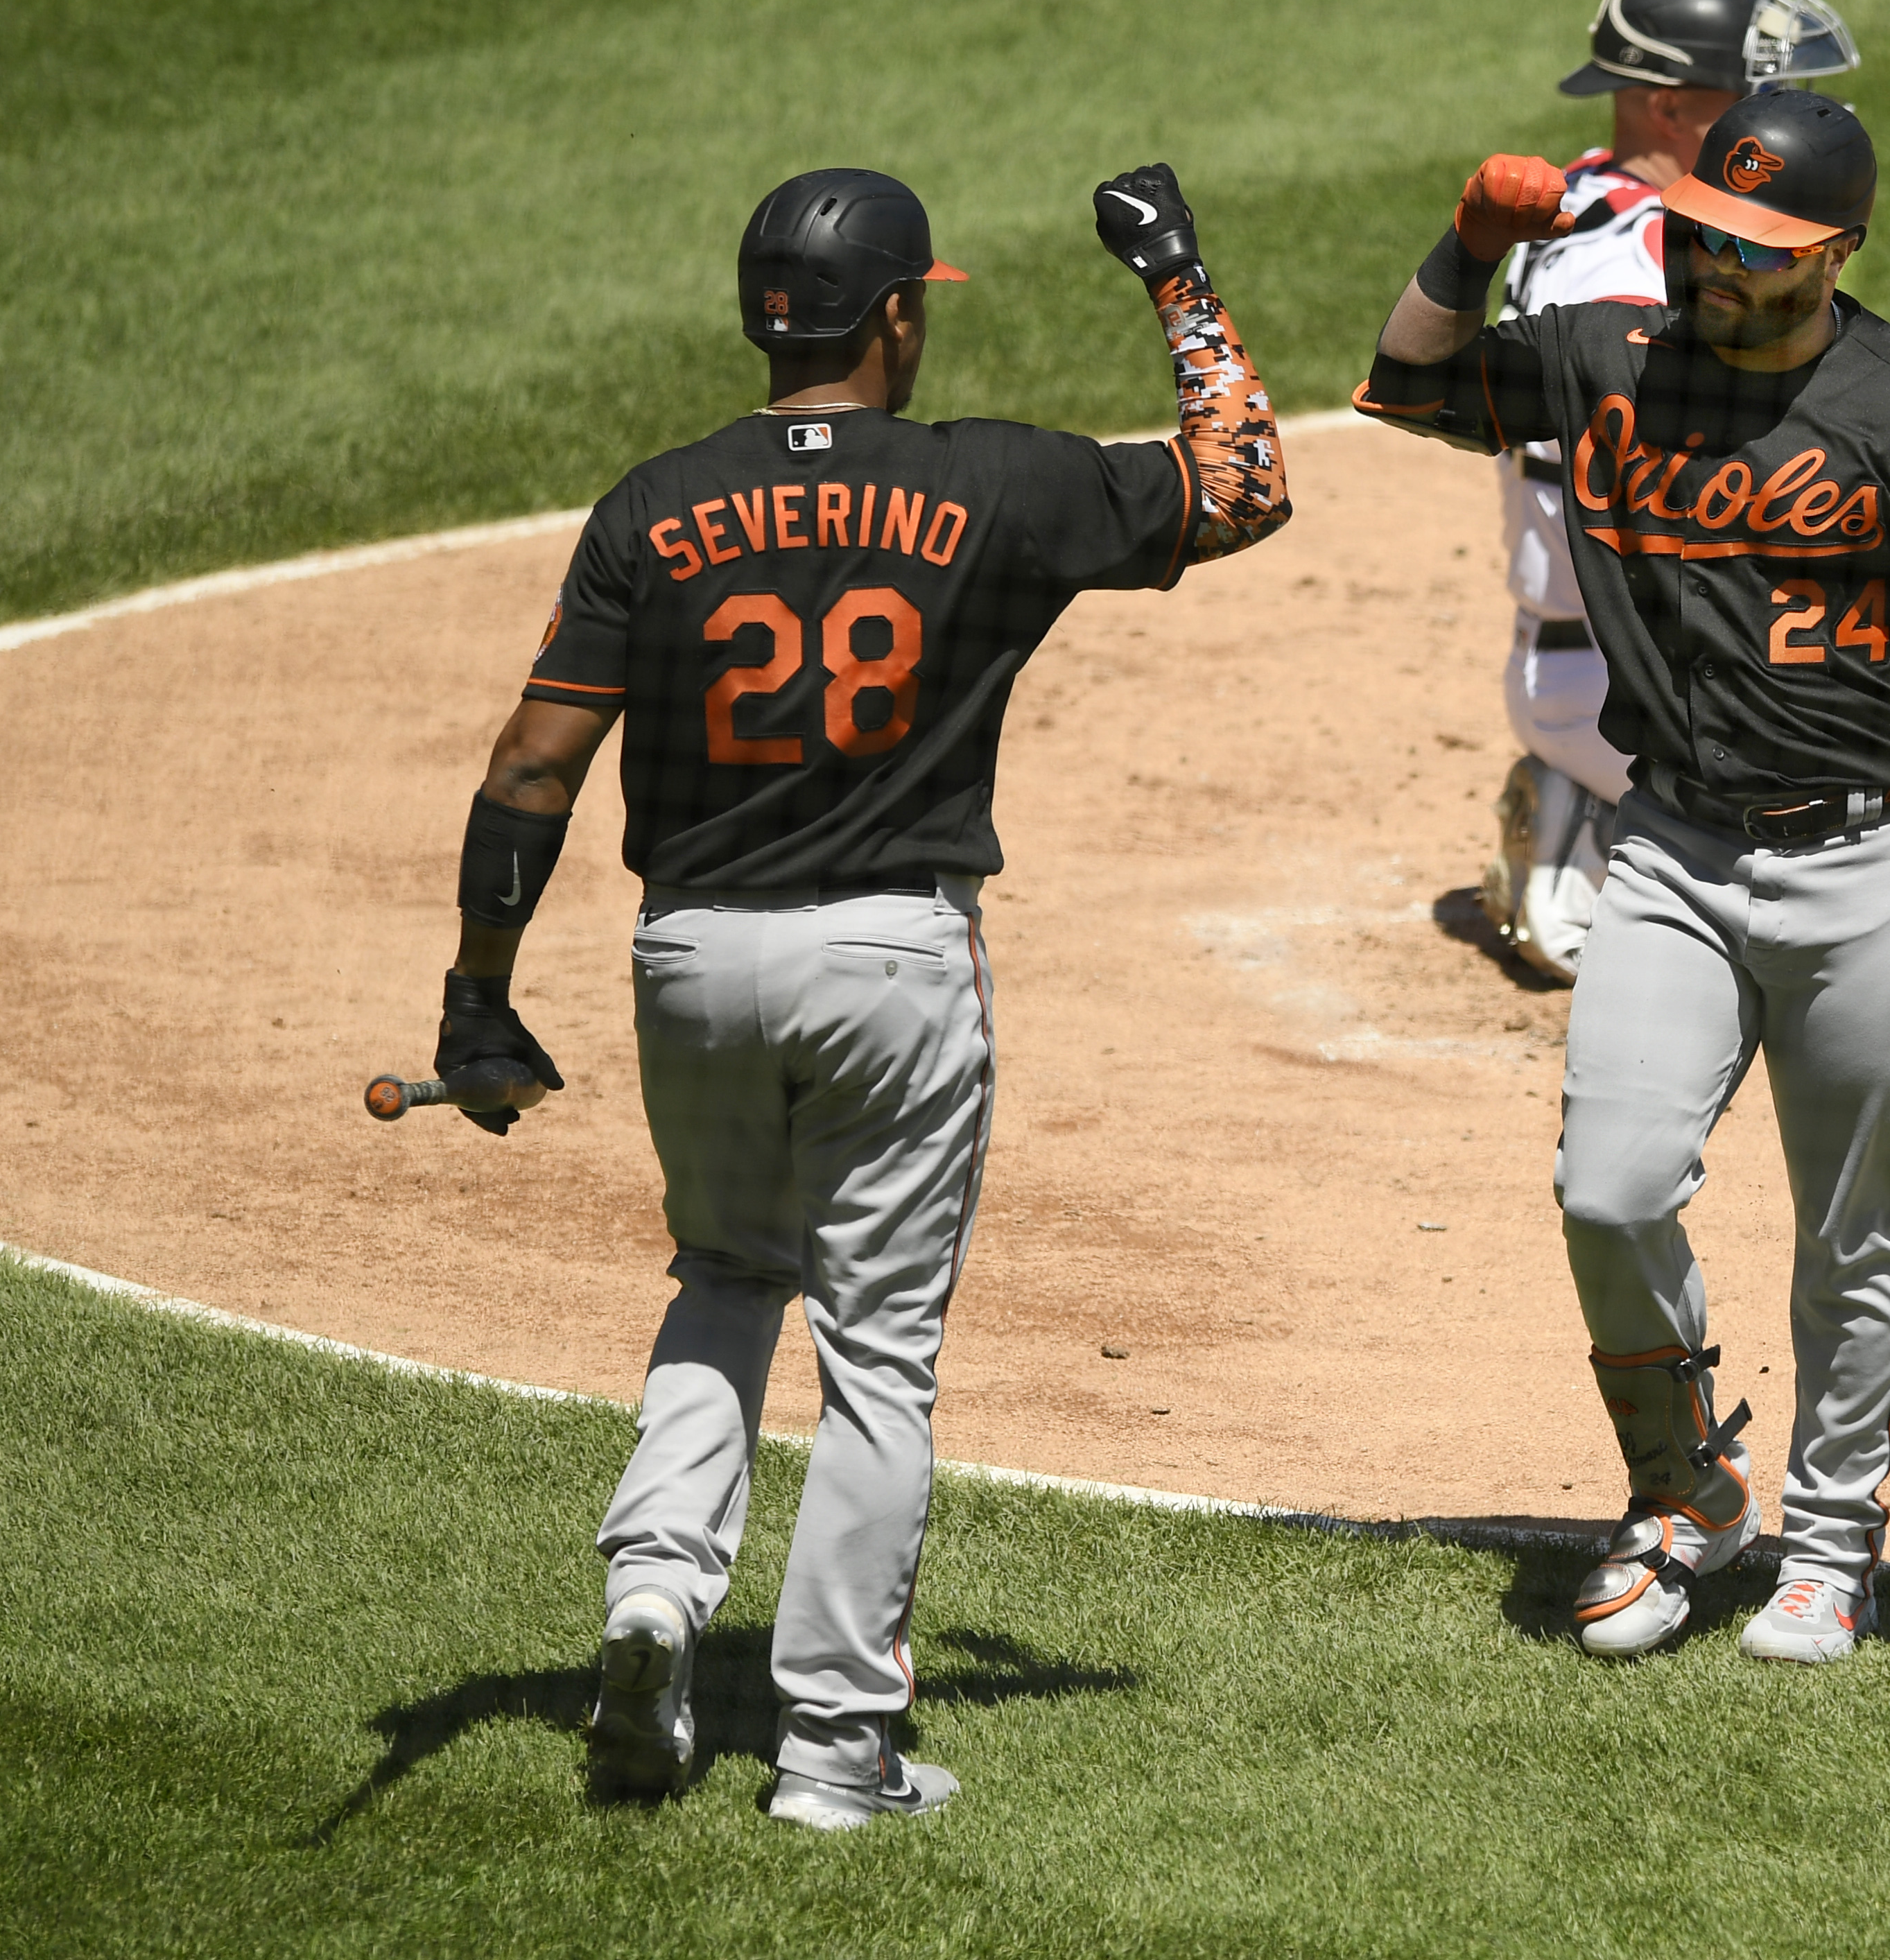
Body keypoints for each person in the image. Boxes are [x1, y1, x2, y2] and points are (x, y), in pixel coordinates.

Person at [422, 163, 1288, 1823]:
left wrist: (478, 999)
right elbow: (1238, 487)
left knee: (726, 1274)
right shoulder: (995, 485)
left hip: (690, 962)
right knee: (878, 1358)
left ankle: (657, 1594)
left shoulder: (650, 507)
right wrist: (1175, 279)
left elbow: (533, 765)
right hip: (892, 961)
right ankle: (834, 1751)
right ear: (897, 317)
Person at [1356, 90, 1890, 1661]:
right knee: (1606, 1187)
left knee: (1851, 1227)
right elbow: (1404, 389)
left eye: (1758, 250)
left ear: (1840, 252)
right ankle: (1688, 1491)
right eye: (1705, 233)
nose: (1716, 266)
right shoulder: (1609, 356)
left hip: (1871, 854)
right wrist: (1468, 245)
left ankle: (1838, 1540)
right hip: (1670, 843)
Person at [1482, 0, 1860, 982]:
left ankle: (1589, 809)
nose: (1772, 111)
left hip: (1579, 657)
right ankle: (1596, 864)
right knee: (1882, 833)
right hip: (1635, 682)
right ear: (1671, 106)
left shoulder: (1581, 200)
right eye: (1747, 87)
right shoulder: (1649, 257)